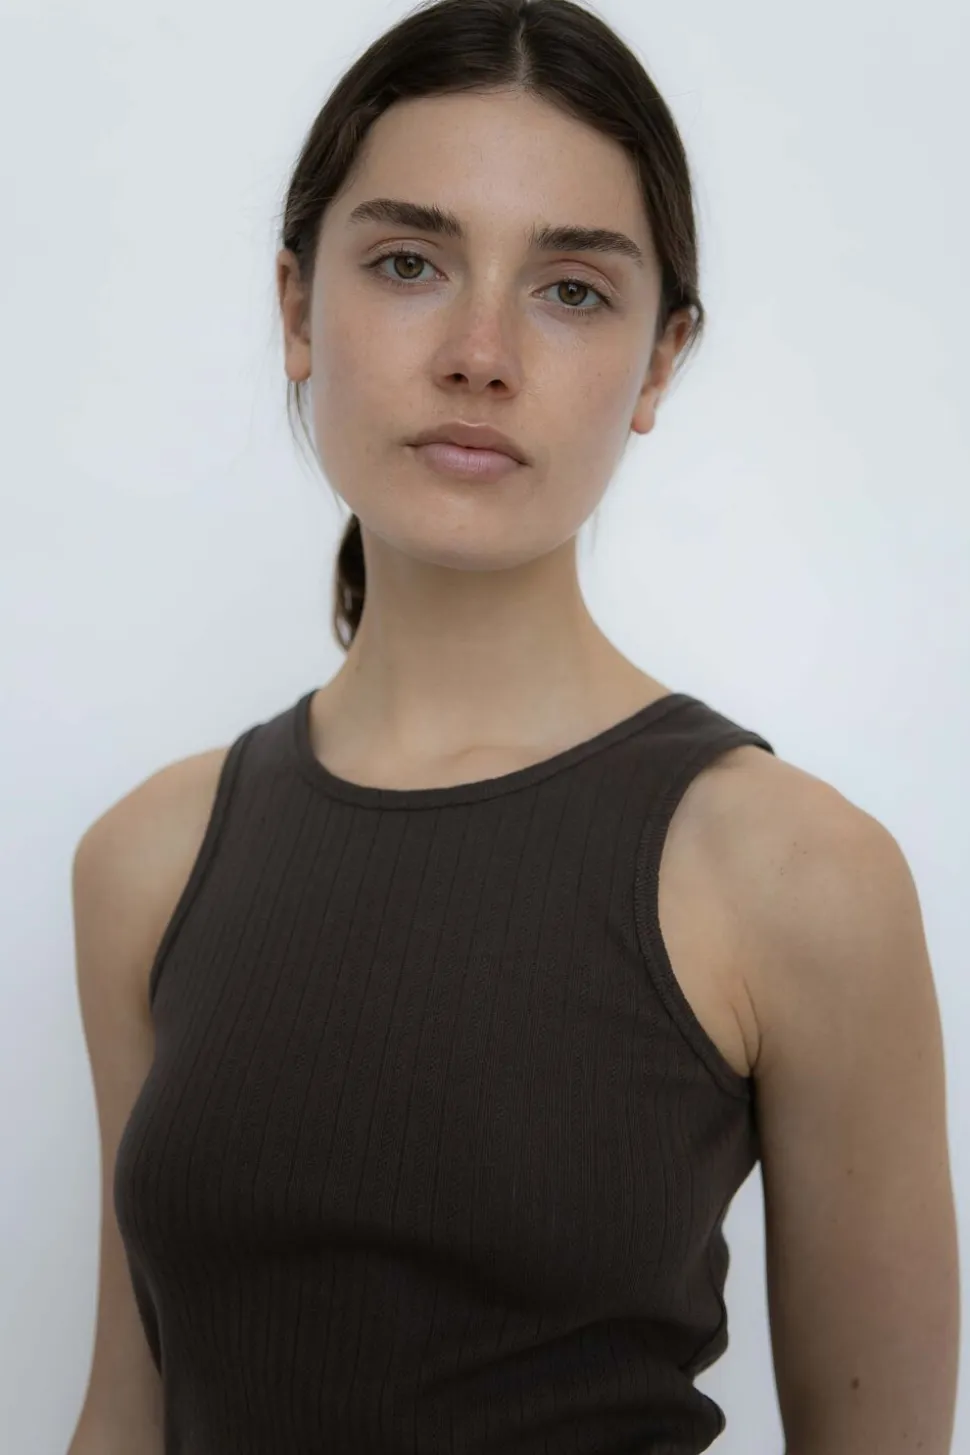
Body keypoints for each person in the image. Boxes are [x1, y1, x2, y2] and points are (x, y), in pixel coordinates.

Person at [68, 2, 959, 1453]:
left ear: (660, 361)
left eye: (572, 290)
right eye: (408, 264)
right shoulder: (146, 860)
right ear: (297, 309)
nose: (479, 353)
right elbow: (127, 1413)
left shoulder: (797, 876)